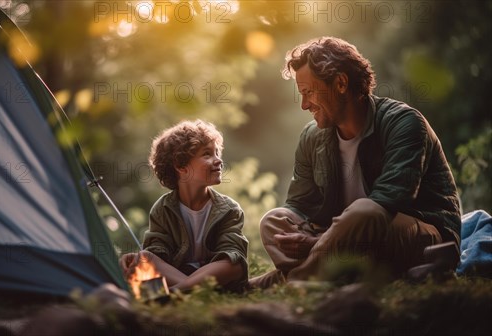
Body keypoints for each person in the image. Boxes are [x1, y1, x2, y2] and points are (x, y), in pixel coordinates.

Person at [249, 36, 461, 288]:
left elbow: (388, 203)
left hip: (420, 236)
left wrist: (317, 243)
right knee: (275, 220)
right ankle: (330, 273)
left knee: (366, 211)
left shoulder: (404, 123)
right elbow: (299, 204)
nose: (304, 104)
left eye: (308, 93)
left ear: (340, 83)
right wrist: (314, 238)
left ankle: (298, 280)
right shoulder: (312, 136)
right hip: (345, 240)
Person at [120, 120, 248, 292]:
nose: (218, 160)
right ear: (181, 166)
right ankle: (199, 290)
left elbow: (232, 256)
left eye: (217, 153)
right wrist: (139, 261)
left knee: (234, 264)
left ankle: (178, 292)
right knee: (145, 257)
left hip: (213, 275)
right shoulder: (162, 209)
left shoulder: (229, 209)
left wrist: (178, 287)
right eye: (207, 154)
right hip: (185, 275)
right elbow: (158, 254)